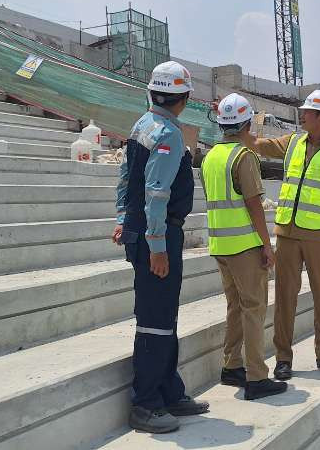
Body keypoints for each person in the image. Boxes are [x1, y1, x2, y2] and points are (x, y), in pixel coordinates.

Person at [113, 61, 209, 433]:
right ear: (183, 99)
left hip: (145, 230)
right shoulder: (169, 134)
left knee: (164, 315)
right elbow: (156, 194)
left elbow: (125, 179)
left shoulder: (142, 126)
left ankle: (170, 391)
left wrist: (123, 218)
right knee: (155, 320)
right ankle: (146, 403)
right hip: (159, 234)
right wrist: (157, 247)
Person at [241, 89, 320, 380]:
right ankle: (283, 358)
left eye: (307, 112)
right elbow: (256, 144)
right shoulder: (292, 142)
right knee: (285, 297)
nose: (302, 115)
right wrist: (234, 121)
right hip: (288, 232)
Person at [203, 93, 288, 401]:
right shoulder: (244, 156)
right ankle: (256, 377)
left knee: (235, 306)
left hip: (220, 244)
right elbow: (254, 204)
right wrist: (267, 246)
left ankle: (231, 366)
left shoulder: (211, 156)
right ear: (247, 123)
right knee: (253, 309)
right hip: (244, 245)